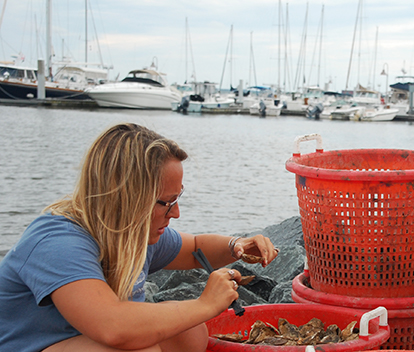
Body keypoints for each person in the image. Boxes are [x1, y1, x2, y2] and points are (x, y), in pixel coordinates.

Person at [0, 123, 279, 352]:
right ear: (127, 198)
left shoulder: (133, 235)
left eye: (177, 198)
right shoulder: (57, 242)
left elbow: (196, 248)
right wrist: (205, 304)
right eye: (166, 202)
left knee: (189, 332)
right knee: (137, 349)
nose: (176, 213)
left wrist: (237, 245)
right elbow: (113, 327)